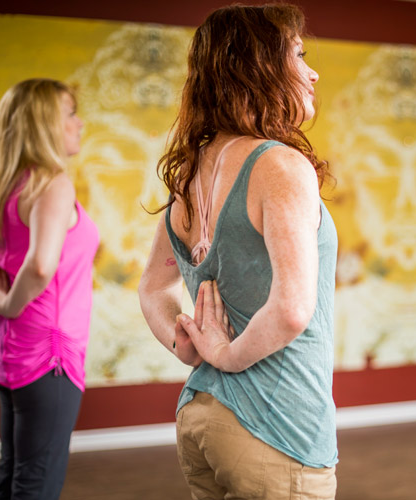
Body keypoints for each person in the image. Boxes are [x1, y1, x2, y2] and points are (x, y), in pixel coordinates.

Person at [137, 4, 338, 499]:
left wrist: (181, 340)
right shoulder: (280, 166)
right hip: (276, 428)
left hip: (202, 417)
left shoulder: (190, 175)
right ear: (260, 66)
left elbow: (153, 287)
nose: (312, 72)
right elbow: (292, 311)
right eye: (299, 55)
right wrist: (224, 354)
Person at [0, 78, 100, 499]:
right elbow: (39, 265)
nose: (81, 123)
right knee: (37, 485)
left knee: (14, 476)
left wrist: (2, 304)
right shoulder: (51, 184)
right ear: (45, 124)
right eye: (70, 114)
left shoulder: (6, 182)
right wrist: (11, 305)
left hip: (9, 354)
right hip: (47, 356)